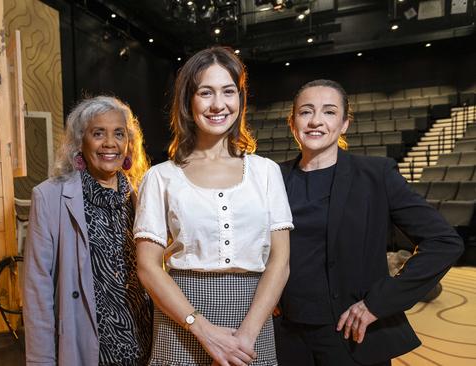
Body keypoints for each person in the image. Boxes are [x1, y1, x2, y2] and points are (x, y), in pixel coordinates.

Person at [274, 79, 464, 366]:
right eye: (305, 112)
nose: (315, 121)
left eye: (328, 112)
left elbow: (444, 242)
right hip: (285, 334)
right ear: (292, 122)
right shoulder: (273, 177)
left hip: (350, 334)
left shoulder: (375, 175)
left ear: (344, 123)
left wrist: (379, 303)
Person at [135, 46, 292, 366]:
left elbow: (280, 261)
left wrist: (247, 335)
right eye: (206, 92)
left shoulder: (266, 172)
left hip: (253, 316)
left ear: (240, 99)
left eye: (228, 91)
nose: (218, 104)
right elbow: (148, 266)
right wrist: (203, 330)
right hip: (181, 319)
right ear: (188, 101)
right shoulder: (160, 176)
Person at [23, 96, 153, 365]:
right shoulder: (49, 197)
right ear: (80, 142)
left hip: (146, 343)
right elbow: (38, 291)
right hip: (89, 350)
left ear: (128, 144)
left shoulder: (143, 197)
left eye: (119, 134)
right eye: (98, 133)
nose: (109, 143)